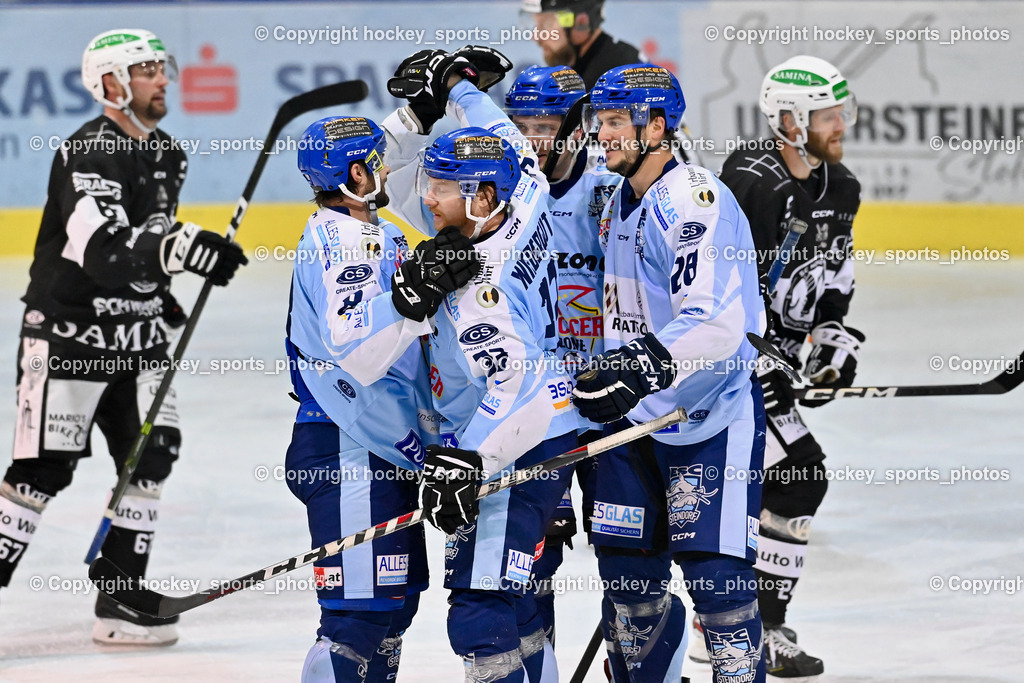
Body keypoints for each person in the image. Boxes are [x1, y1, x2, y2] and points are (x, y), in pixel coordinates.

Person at [0, 29, 246, 645]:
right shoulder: (88, 153)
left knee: (153, 453)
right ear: (109, 84)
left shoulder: (168, 153)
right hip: (69, 339)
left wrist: (164, 295)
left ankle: (119, 598)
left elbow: (146, 248)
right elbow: (104, 250)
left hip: (136, 343)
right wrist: (184, 248)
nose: (162, 79)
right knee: (40, 472)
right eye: (145, 71)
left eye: (161, 68)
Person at [384, 49, 583, 683]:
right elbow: (491, 127)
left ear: (481, 196)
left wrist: (467, 458)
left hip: (513, 447)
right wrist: (456, 87)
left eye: (442, 188)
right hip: (550, 434)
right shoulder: (525, 186)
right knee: (517, 608)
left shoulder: (481, 295)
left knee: (480, 610)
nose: (427, 198)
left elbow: (517, 383)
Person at [571, 63, 767, 682]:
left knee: (720, 589)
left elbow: (715, 324)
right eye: (598, 122)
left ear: (657, 127)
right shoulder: (618, 199)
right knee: (630, 587)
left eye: (614, 123)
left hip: (708, 417)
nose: (602, 135)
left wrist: (641, 364)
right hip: (634, 424)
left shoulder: (692, 199)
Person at [284, 115, 479, 681]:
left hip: (381, 445)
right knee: (356, 622)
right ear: (351, 176)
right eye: (373, 162)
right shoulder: (342, 243)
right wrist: (420, 296)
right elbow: (362, 357)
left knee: (390, 611)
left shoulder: (373, 228)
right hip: (348, 443)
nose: (385, 167)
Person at [710, 55, 862, 679]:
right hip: (727, 370)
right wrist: (757, 353)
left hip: (772, 369)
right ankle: (752, 629)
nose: (842, 125)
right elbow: (721, 287)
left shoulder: (841, 187)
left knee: (786, 481)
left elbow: (836, 278)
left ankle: (734, 622)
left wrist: (830, 341)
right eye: (829, 115)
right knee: (798, 475)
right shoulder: (754, 181)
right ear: (793, 121)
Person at [503, 63, 621, 646]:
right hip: (537, 409)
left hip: (610, 402)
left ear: (577, 129)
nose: (529, 140)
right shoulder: (498, 195)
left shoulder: (611, 193)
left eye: (543, 125)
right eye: (519, 125)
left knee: (630, 565)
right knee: (528, 567)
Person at [521, 0, 643, 89]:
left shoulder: (622, 71)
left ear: (581, 22)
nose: (536, 37)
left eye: (545, 25)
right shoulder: (586, 69)